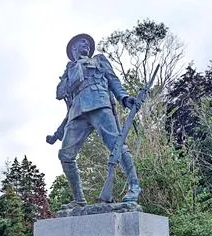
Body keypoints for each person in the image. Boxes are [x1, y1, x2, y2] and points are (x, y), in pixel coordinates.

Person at [46, 33, 141, 208]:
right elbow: (60, 94)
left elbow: (113, 81)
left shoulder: (99, 60)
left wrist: (124, 98)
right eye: (81, 42)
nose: (86, 45)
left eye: (87, 43)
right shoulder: (69, 69)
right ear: (73, 48)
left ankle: (134, 186)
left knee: (116, 145)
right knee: (65, 155)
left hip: (99, 102)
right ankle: (79, 200)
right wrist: (69, 72)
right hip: (77, 112)